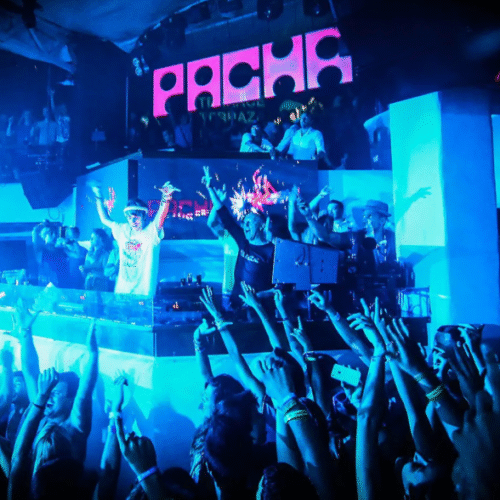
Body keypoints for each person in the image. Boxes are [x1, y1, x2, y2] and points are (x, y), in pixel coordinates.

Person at [90, 181, 179, 297]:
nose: (132, 221)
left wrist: (166, 197)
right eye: (129, 218)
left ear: (144, 216)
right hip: (122, 292)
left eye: (136, 217)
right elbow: (104, 219)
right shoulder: (123, 230)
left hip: (143, 294)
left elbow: (160, 218)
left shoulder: (151, 232)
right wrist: (98, 195)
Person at [202, 166, 275, 307]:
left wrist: (259, 296)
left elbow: (281, 287)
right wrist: (210, 188)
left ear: (261, 226)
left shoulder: (272, 250)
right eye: (244, 222)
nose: (245, 226)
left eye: (250, 222)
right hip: (236, 302)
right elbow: (224, 214)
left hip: (260, 307)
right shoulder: (242, 240)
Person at [32, 222, 70, 288]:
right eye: (51, 233)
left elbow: (77, 255)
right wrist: (44, 224)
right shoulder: (41, 252)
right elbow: (35, 232)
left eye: (56, 233)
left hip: (62, 287)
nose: (54, 236)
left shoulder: (62, 250)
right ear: (45, 236)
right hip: (45, 287)